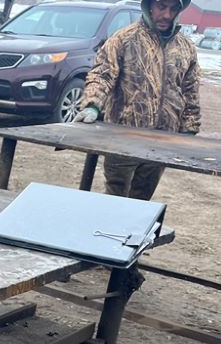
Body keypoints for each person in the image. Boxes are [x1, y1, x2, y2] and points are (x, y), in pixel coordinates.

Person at [73, 0, 200, 200]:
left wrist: (189, 127)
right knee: (114, 197)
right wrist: (92, 105)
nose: (167, 15)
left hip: (163, 139)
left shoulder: (185, 47)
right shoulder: (124, 39)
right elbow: (102, 75)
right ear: (149, 6)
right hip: (122, 136)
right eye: (161, 7)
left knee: (142, 200)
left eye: (173, 8)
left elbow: (190, 89)